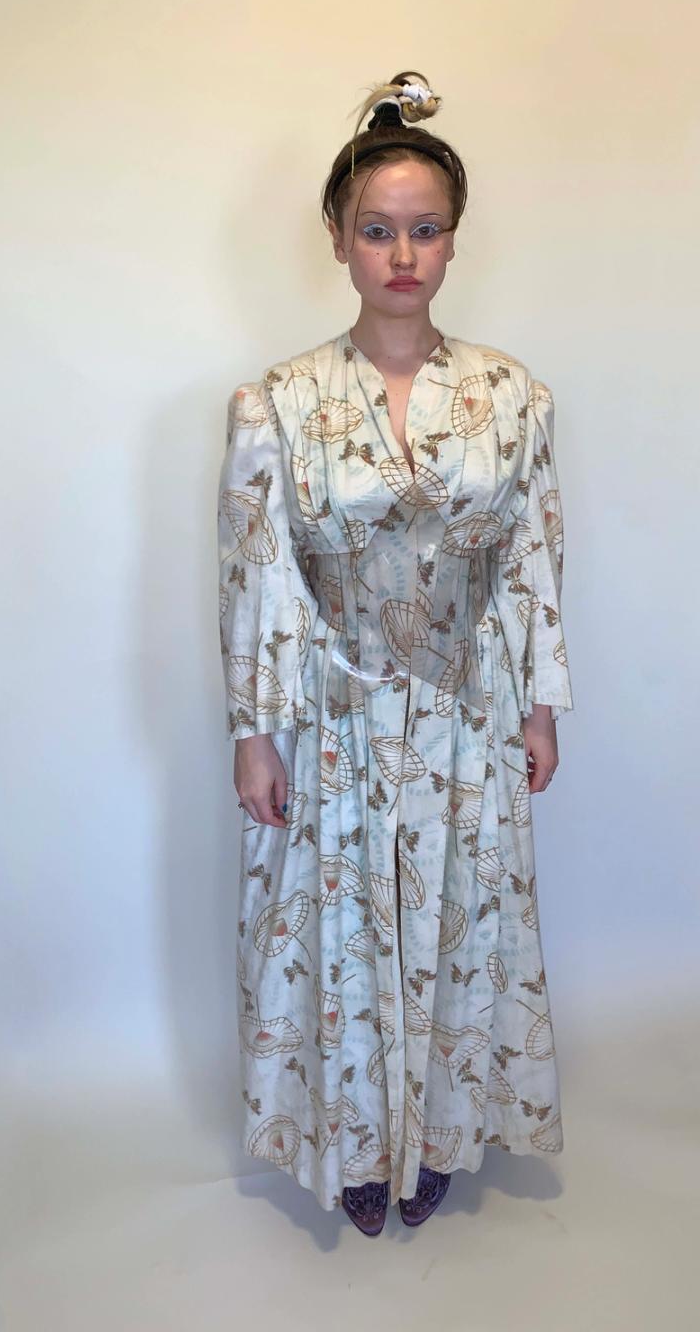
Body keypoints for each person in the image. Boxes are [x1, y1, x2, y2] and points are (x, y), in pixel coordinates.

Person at [217, 71, 574, 1236]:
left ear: (455, 238)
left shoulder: (513, 397)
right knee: (343, 936)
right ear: (338, 237)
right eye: (378, 230)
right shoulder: (278, 405)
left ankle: (439, 1140)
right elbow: (258, 573)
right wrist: (256, 731)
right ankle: (359, 1148)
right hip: (335, 715)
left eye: (425, 229)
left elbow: (531, 556)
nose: (402, 254)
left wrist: (540, 704)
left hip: (468, 712)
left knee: (458, 928)